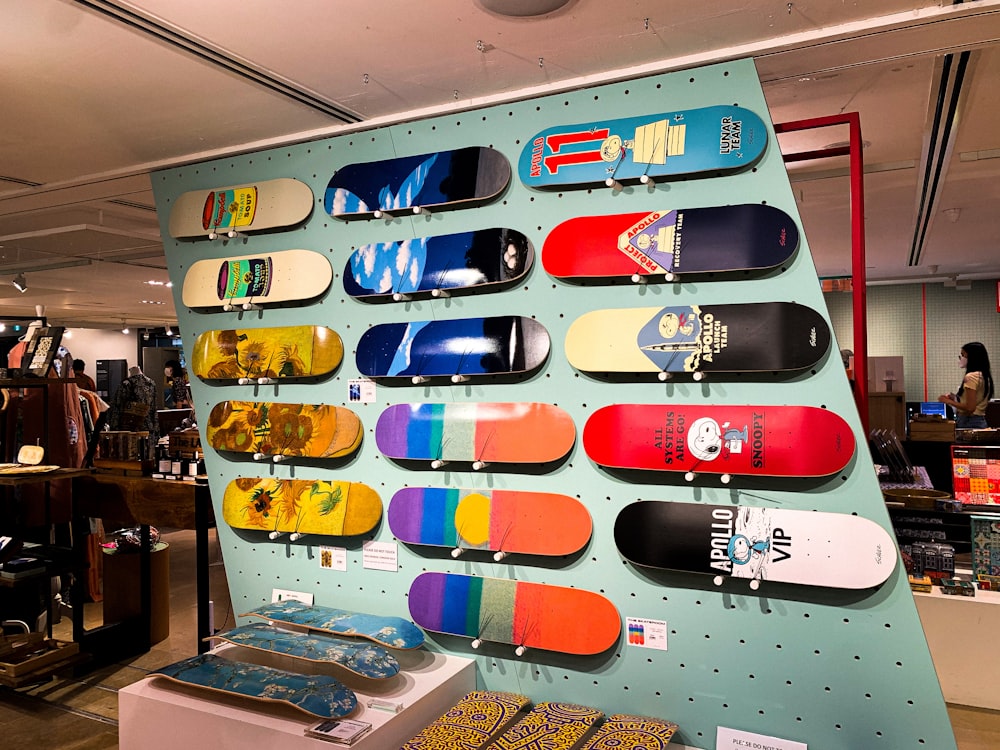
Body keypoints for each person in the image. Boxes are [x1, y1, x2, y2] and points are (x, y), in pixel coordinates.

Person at [938, 341, 994, 429]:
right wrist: (956, 398)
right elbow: (976, 400)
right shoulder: (984, 375)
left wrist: (948, 401)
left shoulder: (971, 377)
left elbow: (970, 408)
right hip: (979, 421)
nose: (961, 358)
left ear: (972, 357)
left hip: (969, 422)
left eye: (963, 355)